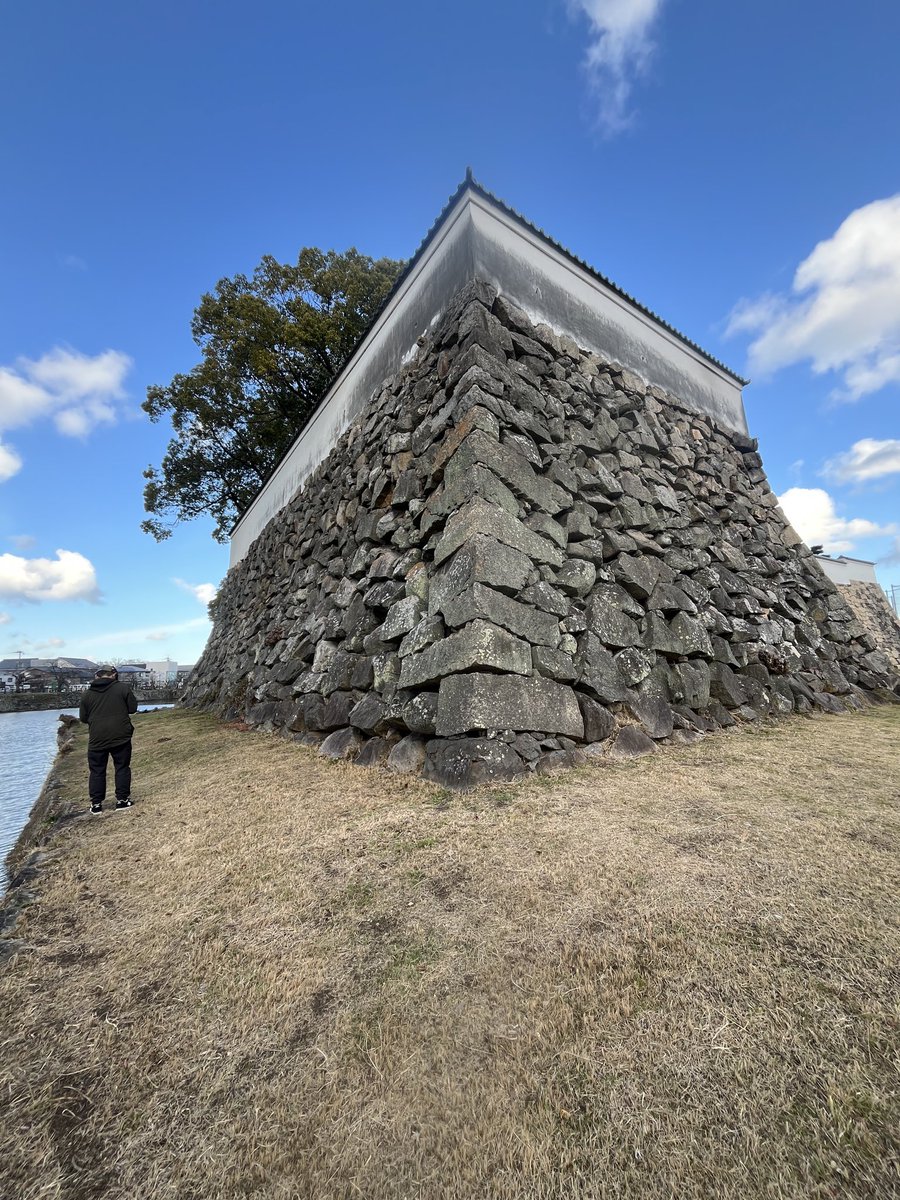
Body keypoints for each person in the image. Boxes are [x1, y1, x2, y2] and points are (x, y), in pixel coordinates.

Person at [79, 666, 138, 813]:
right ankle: (122, 801)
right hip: (121, 736)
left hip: (97, 738)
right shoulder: (122, 688)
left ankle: (96, 805)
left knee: (97, 771)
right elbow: (132, 708)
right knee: (122, 767)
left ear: (97, 676)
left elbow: (83, 718)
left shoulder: (87, 694)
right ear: (114, 675)